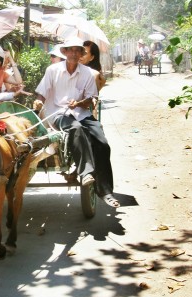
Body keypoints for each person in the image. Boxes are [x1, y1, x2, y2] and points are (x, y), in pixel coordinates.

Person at [35, 36, 119, 208]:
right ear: (64, 52)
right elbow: (42, 92)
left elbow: (90, 99)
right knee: (75, 129)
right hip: (58, 113)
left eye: (77, 50)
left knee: (102, 143)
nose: (73, 53)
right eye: (70, 50)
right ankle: (86, 172)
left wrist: (79, 103)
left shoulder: (87, 73)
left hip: (81, 112)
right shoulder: (53, 70)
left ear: (81, 54)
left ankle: (106, 191)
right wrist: (38, 101)